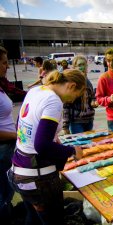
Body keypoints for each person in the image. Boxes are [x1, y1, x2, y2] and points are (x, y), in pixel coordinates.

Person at [8, 69, 85, 225]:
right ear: (71, 86)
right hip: (38, 179)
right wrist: (72, 151)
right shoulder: (54, 101)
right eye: (76, 95)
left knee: (33, 219)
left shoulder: (36, 91)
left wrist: (54, 141)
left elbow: (22, 128)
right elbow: (42, 145)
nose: (72, 100)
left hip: (19, 170)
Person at [0, 46, 16, 224]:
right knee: (3, 193)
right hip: (2, 148)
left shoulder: (2, 84)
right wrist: (14, 135)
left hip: (6, 147)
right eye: (4, 63)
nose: (7, 66)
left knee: (6, 192)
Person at [63, 55, 98, 134]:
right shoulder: (72, 83)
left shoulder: (88, 82)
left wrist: (94, 101)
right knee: (80, 144)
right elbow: (66, 106)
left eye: (84, 65)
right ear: (74, 67)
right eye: (79, 65)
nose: (82, 67)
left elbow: (93, 97)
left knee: (89, 144)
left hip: (89, 120)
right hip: (76, 122)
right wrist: (65, 126)